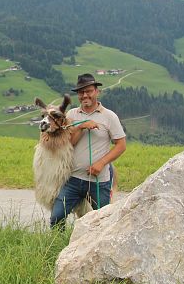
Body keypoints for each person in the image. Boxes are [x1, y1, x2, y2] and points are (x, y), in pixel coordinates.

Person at [50, 73, 127, 228]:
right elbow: (69, 144)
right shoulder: (72, 115)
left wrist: (101, 163)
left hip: (99, 182)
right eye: (81, 92)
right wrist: (80, 127)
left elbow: (121, 145)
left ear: (96, 92)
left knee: (104, 222)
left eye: (89, 91)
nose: (85, 95)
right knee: (57, 217)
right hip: (73, 179)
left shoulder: (109, 116)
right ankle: (59, 248)